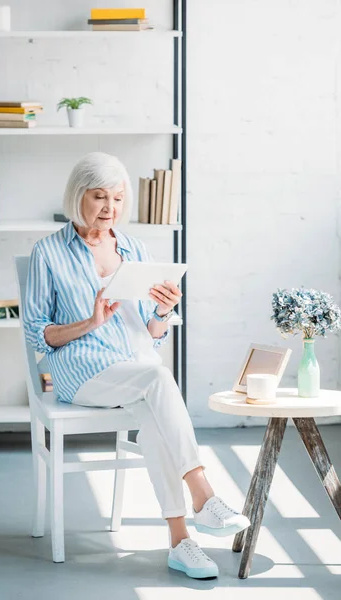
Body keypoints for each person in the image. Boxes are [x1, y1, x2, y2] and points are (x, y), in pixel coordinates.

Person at [23, 152, 250, 580]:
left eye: (118, 198)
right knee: (158, 379)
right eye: (100, 197)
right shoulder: (48, 253)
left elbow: (151, 330)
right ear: (78, 196)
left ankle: (181, 542)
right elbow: (38, 335)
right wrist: (89, 323)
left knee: (153, 408)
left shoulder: (134, 247)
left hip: (136, 368)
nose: (110, 208)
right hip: (82, 371)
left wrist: (163, 313)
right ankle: (203, 495)